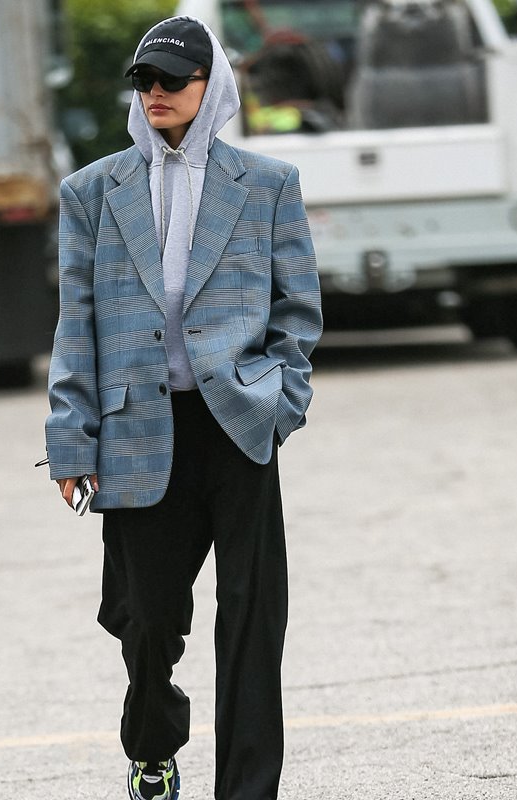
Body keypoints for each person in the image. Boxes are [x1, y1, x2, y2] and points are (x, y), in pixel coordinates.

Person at [43, 15, 322, 800]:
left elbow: (296, 313)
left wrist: (280, 402)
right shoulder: (92, 192)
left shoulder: (268, 185)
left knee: (252, 623)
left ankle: (246, 789)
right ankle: (152, 745)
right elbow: (76, 327)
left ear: (213, 85)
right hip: (137, 432)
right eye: (144, 81)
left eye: (174, 79)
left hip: (237, 429)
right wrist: (72, 441)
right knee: (147, 624)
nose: (157, 93)